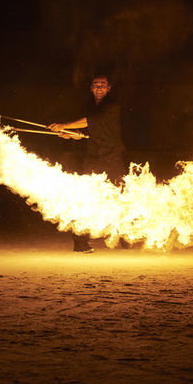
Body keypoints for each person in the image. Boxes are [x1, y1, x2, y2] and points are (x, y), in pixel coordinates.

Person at [49, 74, 127, 252]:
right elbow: (88, 132)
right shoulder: (88, 106)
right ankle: (80, 243)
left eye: (103, 85)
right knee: (85, 197)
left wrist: (65, 126)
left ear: (109, 88)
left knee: (119, 197)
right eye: (96, 85)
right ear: (91, 88)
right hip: (93, 159)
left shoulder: (113, 106)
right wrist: (72, 133)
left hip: (113, 157)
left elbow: (93, 122)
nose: (99, 87)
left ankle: (124, 235)